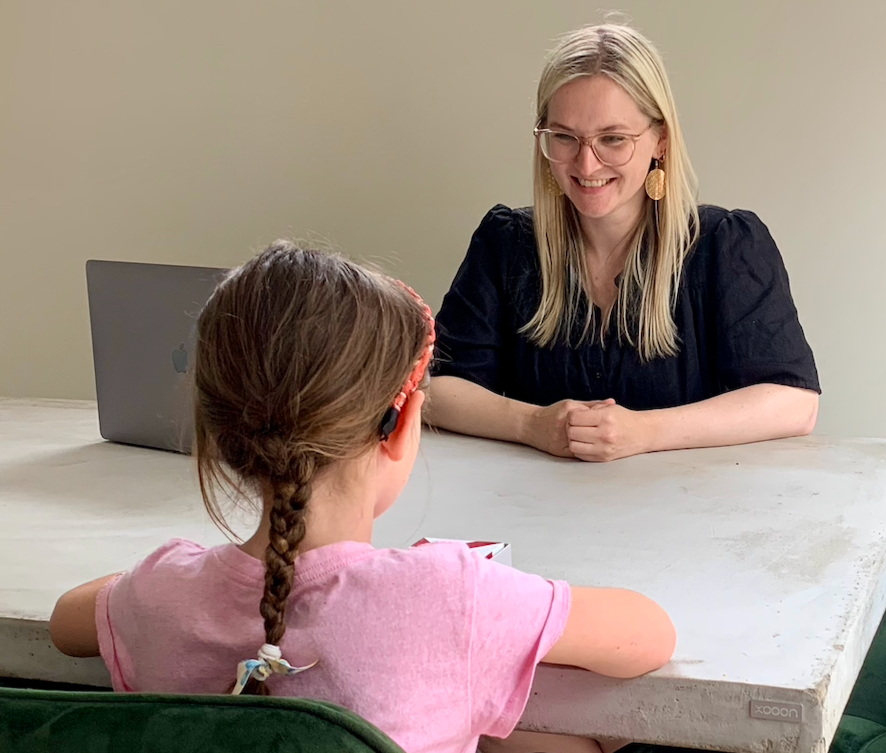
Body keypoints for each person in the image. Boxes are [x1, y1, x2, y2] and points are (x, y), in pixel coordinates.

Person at [47, 242, 676, 753]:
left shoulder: (160, 595)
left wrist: (171, 578)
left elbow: (66, 620)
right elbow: (650, 634)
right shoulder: (448, 595)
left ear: (217, 431)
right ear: (402, 427)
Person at [427, 23, 821, 463]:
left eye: (613, 139)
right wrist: (532, 425)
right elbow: (436, 391)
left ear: (661, 140)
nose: (586, 163)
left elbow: (794, 403)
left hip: (693, 513)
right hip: (533, 517)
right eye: (564, 137)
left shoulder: (725, 246)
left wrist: (644, 431)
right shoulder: (506, 243)